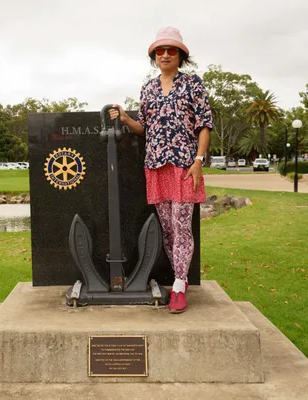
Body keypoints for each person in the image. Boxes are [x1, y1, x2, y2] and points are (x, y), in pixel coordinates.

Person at [109, 27, 213, 314]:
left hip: (184, 167)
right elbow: (145, 128)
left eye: (172, 50)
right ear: (154, 56)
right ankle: (180, 278)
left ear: (181, 55)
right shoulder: (149, 88)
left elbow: (203, 125)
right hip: (156, 166)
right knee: (168, 229)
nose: (165, 55)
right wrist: (127, 119)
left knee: (182, 227)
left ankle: (179, 284)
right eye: (160, 50)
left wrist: (198, 161)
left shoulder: (193, 84)